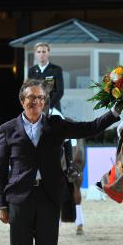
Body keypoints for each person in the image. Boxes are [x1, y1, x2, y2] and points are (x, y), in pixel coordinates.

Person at [0, 79, 120, 245]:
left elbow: (90, 127)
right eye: (31, 98)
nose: (37, 102)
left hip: (49, 198)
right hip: (19, 199)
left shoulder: (56, 125)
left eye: (41, 98)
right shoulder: (7, 129)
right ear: (22, 101)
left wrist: (114, 112)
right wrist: (1, 204)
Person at [28, 42, 78, 181]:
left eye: (44, 51)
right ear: (36, 54)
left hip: (53, 107)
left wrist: (48, 106)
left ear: (48, 53)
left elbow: (60, 90)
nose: (41, 54)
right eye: (39, 52)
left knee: (65, 131)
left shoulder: (56, 69)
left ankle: (70, 166)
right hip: (35, 107)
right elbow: (29, 90)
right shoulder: (32, 71)